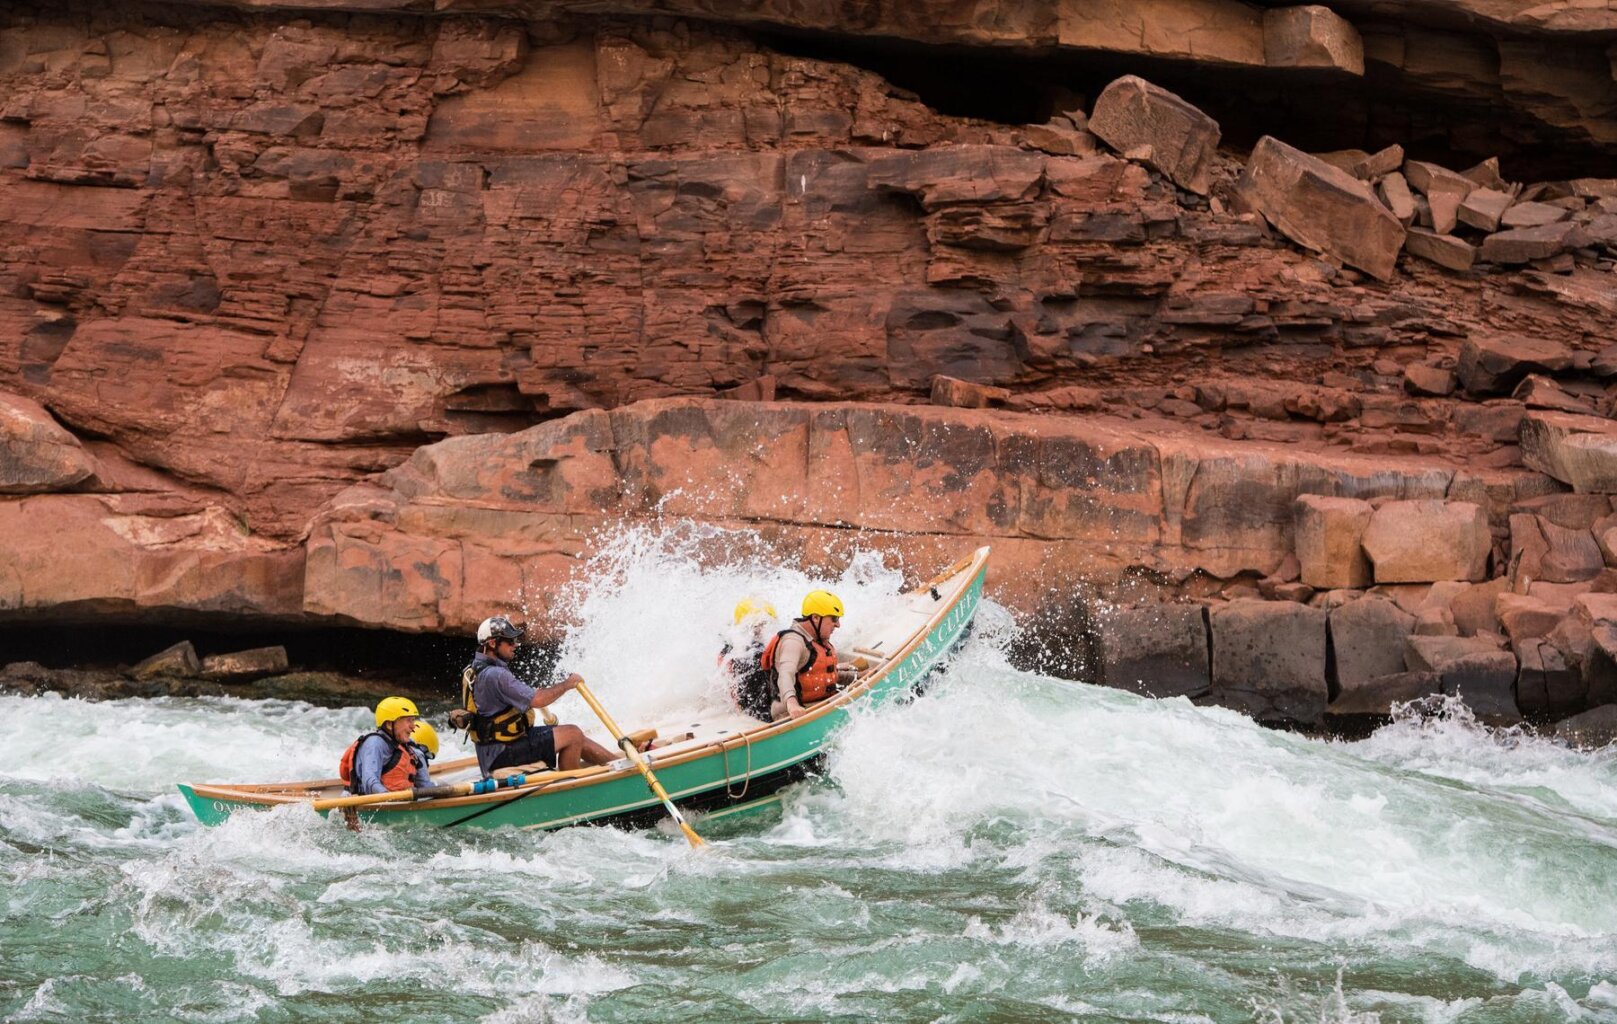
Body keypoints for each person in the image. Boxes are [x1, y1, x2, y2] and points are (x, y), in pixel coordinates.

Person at [459, 615, 617, 778]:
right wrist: (567, 684)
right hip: (504, 753)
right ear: (492, 643)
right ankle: (572, 786)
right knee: (573, 734)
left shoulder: (473, 670)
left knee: (577, 737)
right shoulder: (496, 675)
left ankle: (620, 763)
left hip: (492, 751)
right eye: (509, 641)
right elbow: (537, 700)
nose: (515, 645)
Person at [758, 590, 857, 721]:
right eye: (834, 618)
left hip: (817, 705)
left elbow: (822, 676)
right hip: (791, 714)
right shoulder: (793, 642)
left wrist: (857, 677)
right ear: (815, 618)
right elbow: (785, 675)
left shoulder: (816, 639)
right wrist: (792, 705)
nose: (838, 624)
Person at [339, 696, 435, 795]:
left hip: (398, 801)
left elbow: (425, 786)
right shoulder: (374, 744)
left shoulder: (407, 746)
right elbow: (370, 781)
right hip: (371, 802)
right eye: (408, 720)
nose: (413, 726)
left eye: (413, 720)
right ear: (389, 724)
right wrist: (389, 797)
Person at [720, 598, 778, 721]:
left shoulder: (737, 647)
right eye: (759, 624)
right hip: (753, 706)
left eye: (763, 624)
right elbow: (730, 679)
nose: (761, 628)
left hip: (757, 703)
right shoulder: (739, 649)